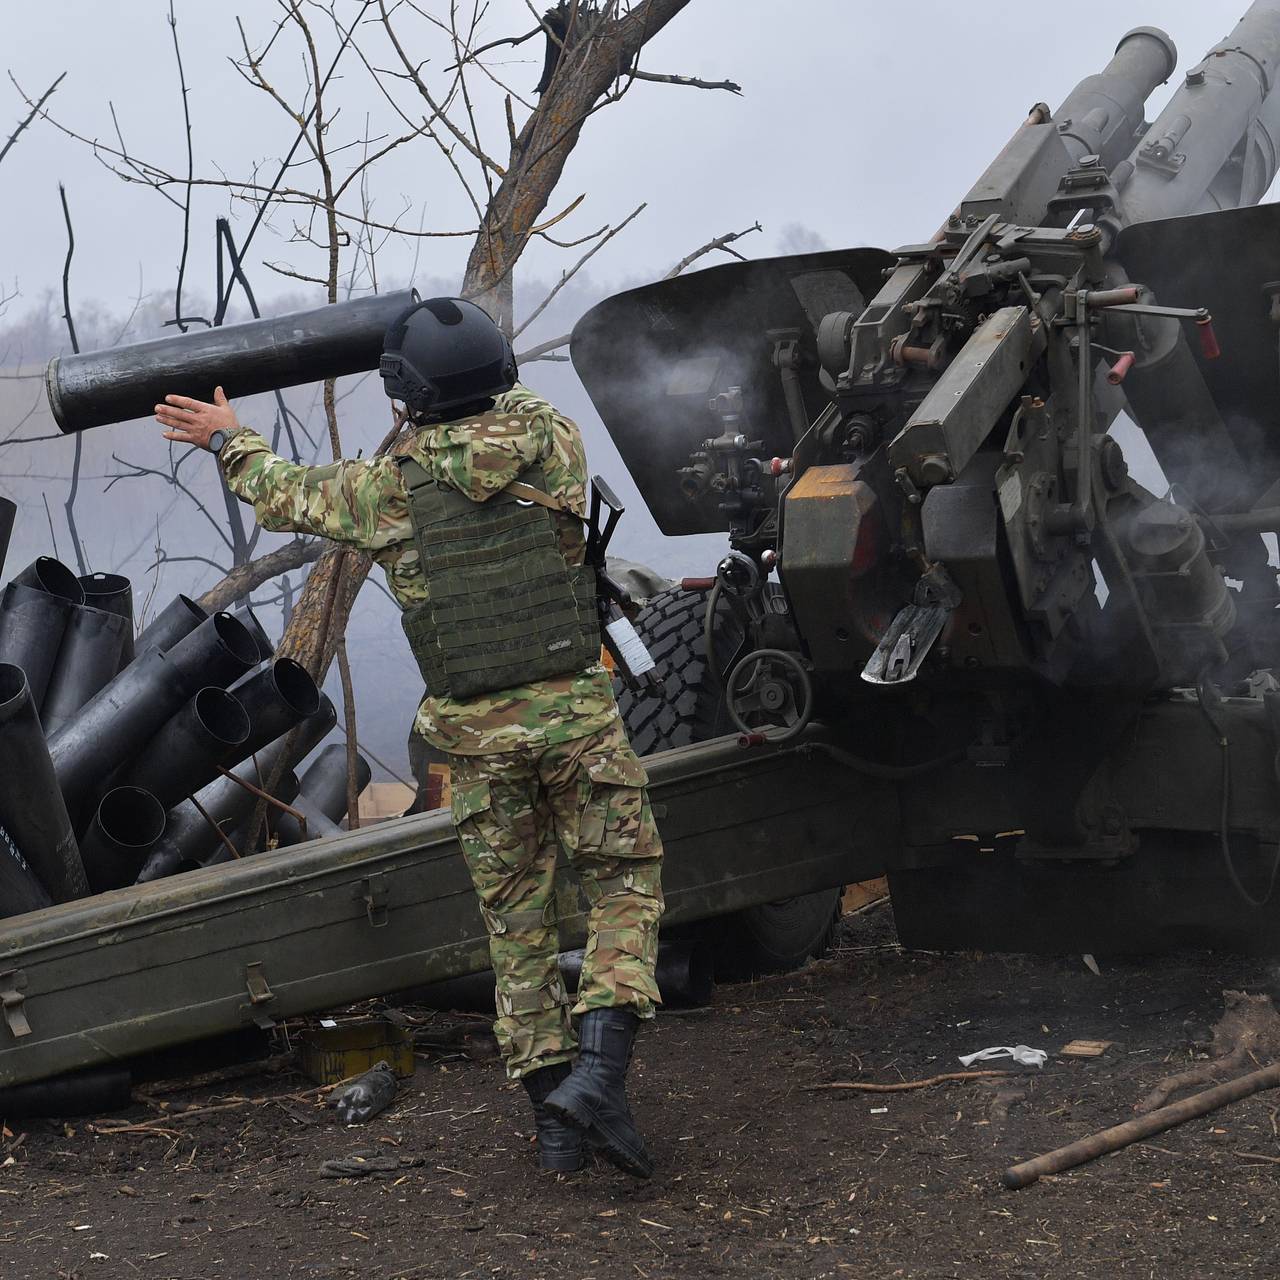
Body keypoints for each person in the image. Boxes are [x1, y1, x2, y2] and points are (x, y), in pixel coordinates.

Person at [154, 298, 664, 1179]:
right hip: (578, 721)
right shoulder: (556, 442)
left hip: (472, 739)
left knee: (516, 924)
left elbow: (282, 492)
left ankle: (556, 1127)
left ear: (408, 395)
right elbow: (516, 405)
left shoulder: (383, 492)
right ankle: (600, 1078)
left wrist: (227, 435)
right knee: (623, 888)